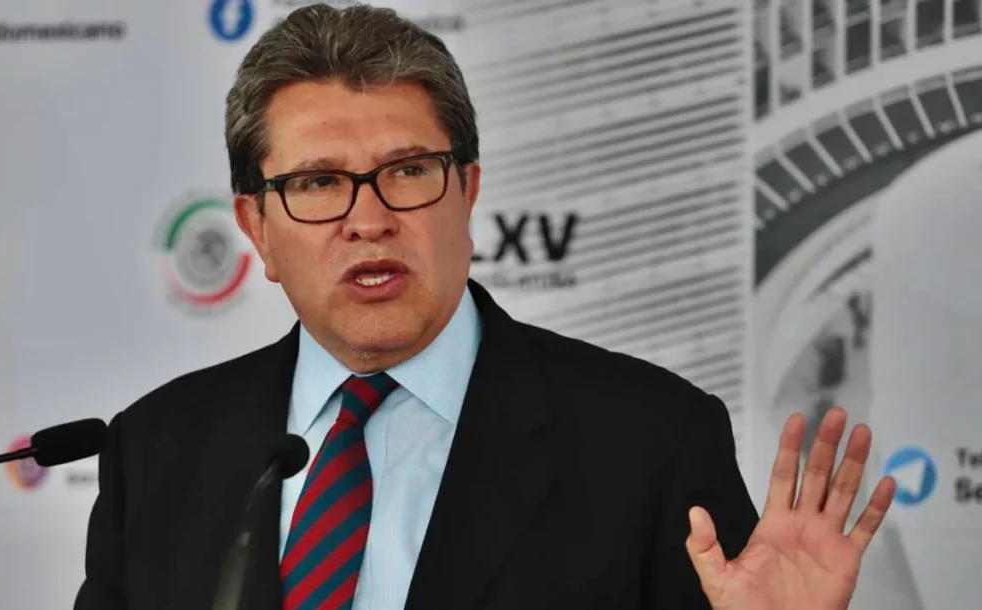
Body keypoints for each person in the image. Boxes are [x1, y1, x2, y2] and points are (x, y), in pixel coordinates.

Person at [73, 4, 896, 609]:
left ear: (467, 192)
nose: (369, 219)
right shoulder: (157, 450)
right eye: (318, 182)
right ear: (256, 225)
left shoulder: (651, 441)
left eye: (408, 171)